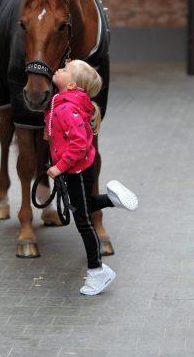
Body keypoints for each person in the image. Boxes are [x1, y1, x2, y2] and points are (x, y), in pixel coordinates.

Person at [44, 59, 138, 296]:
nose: (59, 69)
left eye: (65, 70)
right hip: (77, 170)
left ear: (72, 84)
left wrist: (59, 167)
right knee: (81, 206)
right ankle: (111, 199)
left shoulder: (68, 108)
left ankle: (98, 271)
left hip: (76, 170)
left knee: (84, 221)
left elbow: (79, 145)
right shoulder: (64, 101)